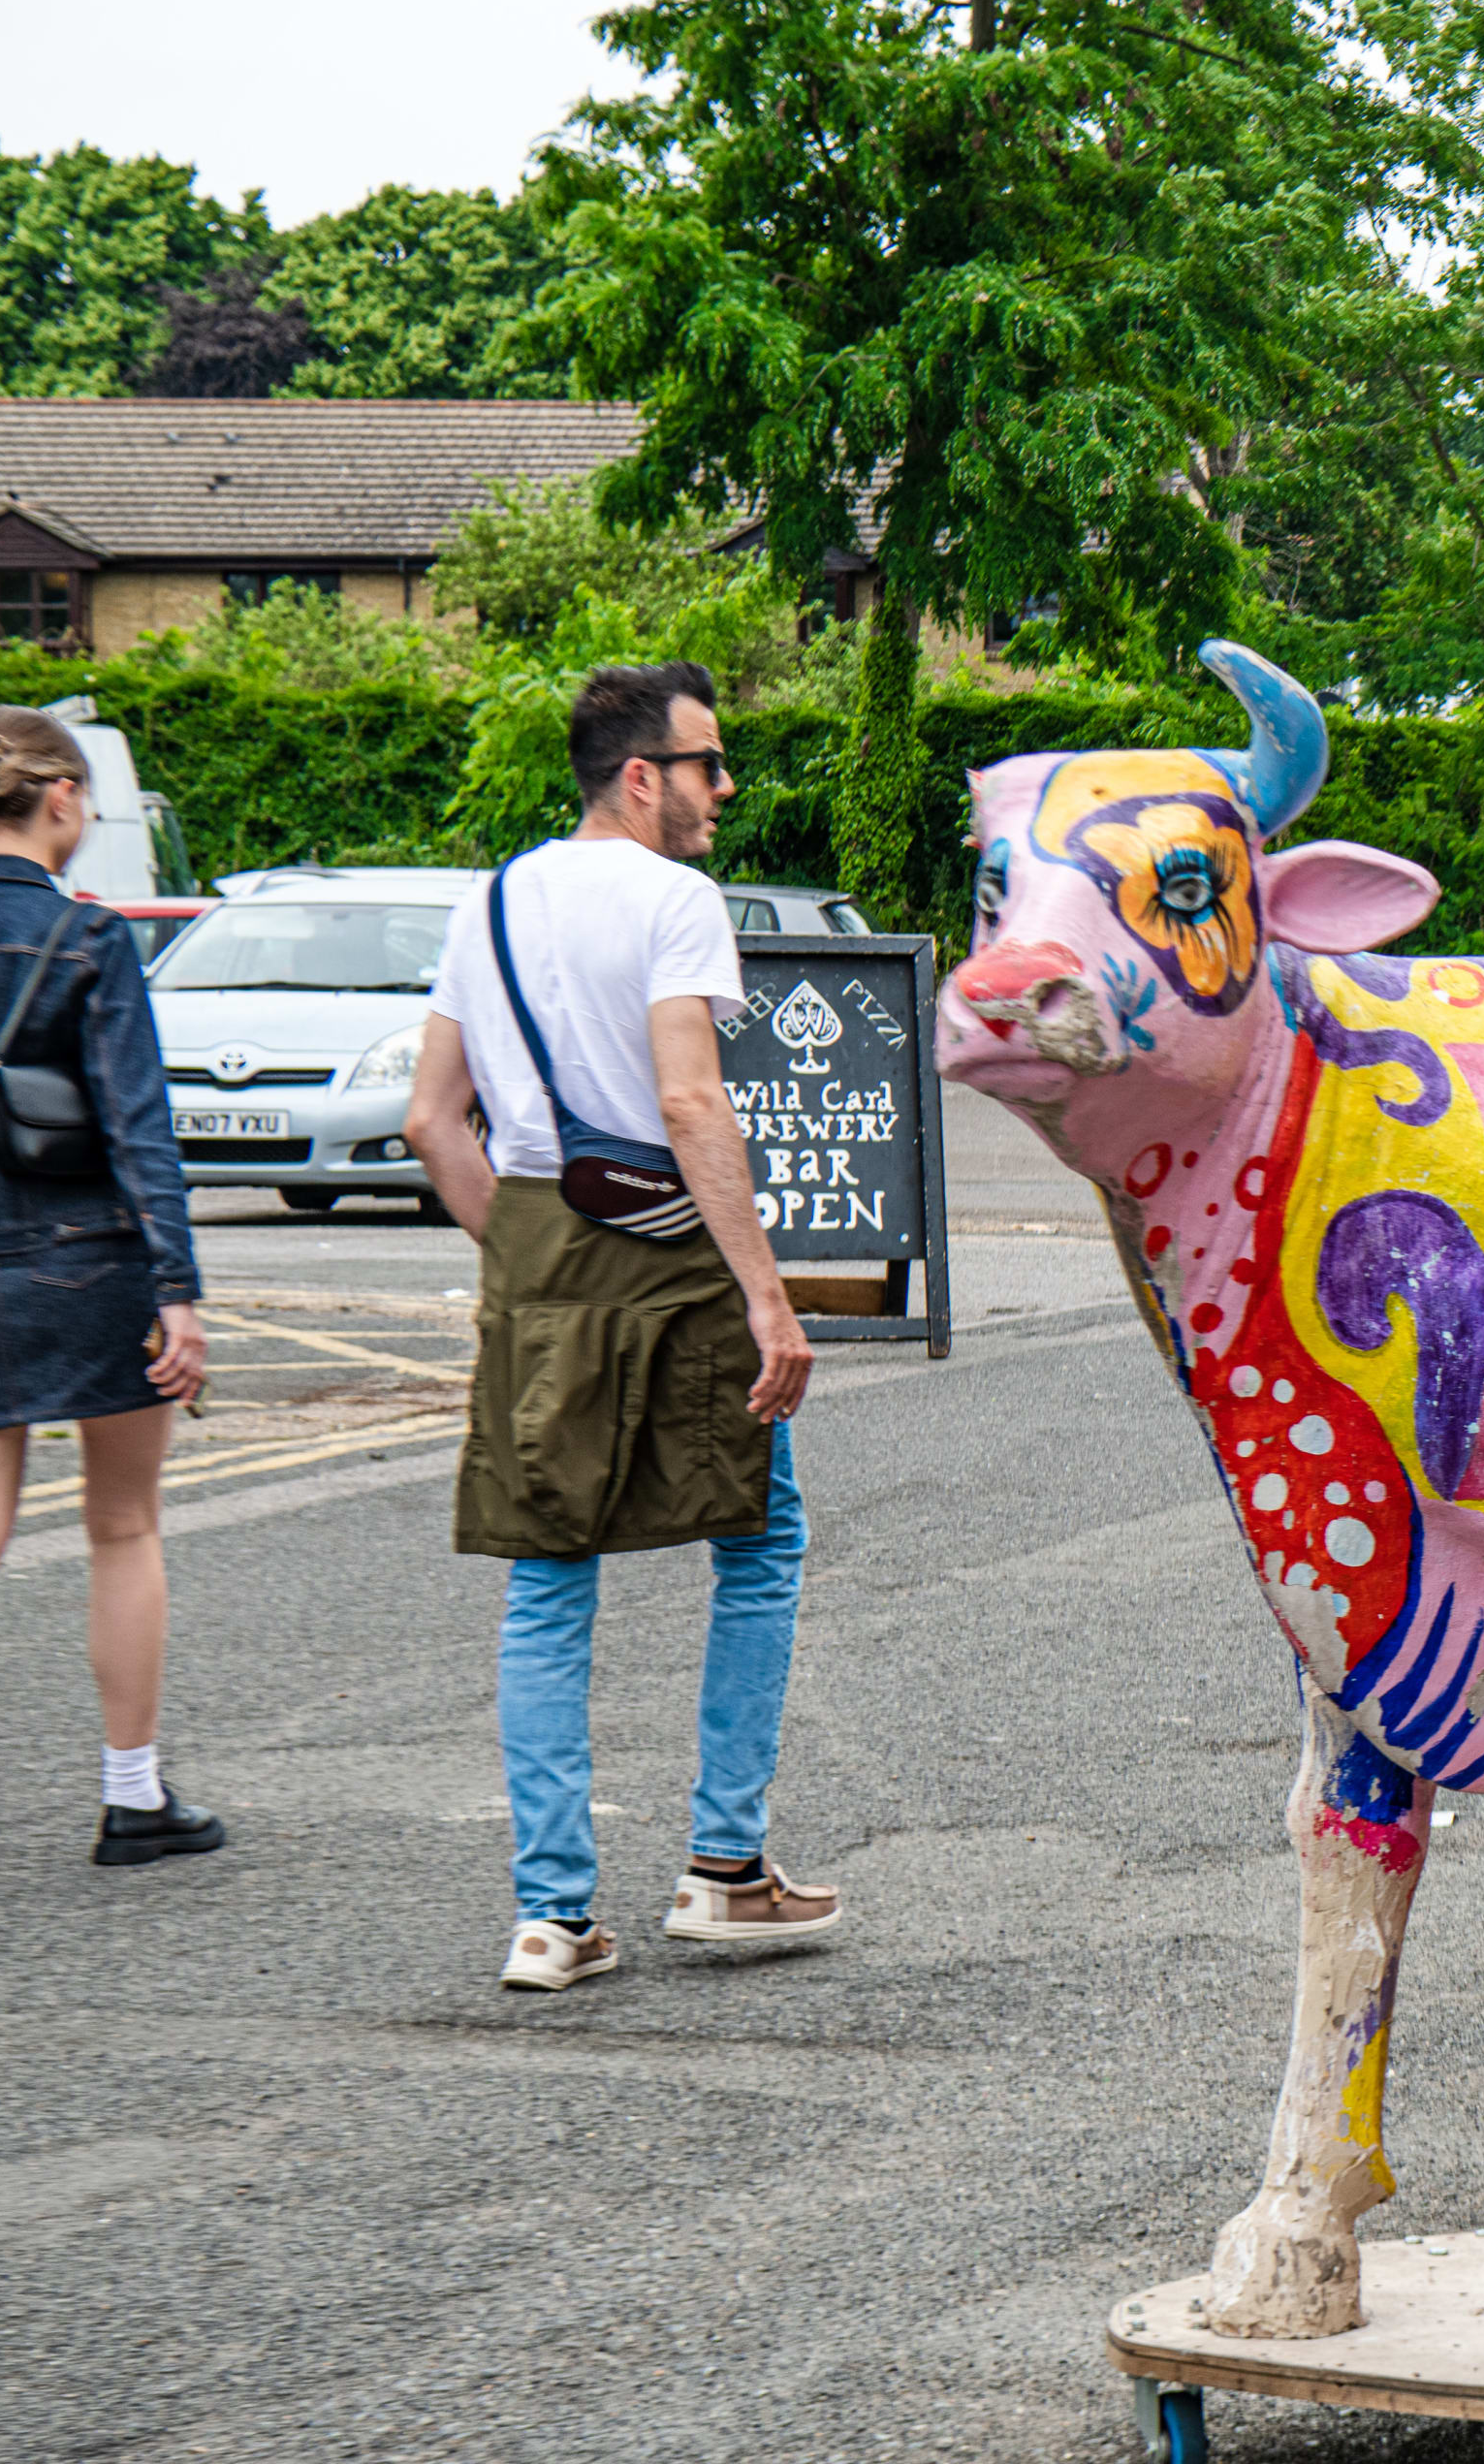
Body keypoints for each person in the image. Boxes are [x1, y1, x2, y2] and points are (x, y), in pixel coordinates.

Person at [403, 662, 833, 1994]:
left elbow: (431, 1117)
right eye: (708, 764)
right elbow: (692, 1105)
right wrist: (764, 1289)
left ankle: (552, 1918)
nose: (724, 788)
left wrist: (531, 1257)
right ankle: (723, 1869)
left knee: (549, 1572)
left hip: (539, 1237)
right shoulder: (676, 900)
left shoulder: (494, 898)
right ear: (641, 775)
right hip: (676, 1250)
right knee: (759, 1539)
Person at [0, 706, 218, 1864]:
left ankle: (141, 1793)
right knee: (123, 1526)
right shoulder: (92, 941)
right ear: (58, 799)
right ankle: (134, 1797)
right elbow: (136, 1131)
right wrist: (179, 1292)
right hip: (90, 1267)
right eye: (88, 804)